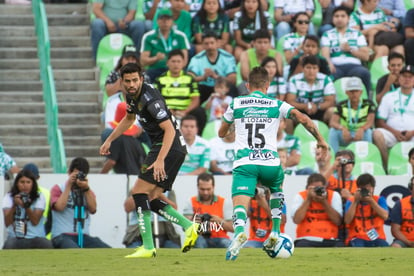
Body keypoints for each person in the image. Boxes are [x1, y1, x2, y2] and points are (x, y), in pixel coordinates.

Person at [218, 66, 329, 260]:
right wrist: (320, 139)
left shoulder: (237, 103)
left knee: (240, 200)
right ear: (267, 85)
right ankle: (276, 231)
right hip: (270, 162)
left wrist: (233, 128)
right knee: (276, 189)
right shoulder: (278, 104)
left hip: (245, 162)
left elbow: (221, 133)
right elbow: (303, 118)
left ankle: (238, 234)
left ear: (247, 85)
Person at [100, 63, 199, 258]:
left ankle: (147, 246)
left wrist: (160, 159)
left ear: (141, 79)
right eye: (127, 81)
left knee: (138, 193)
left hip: (167, 147)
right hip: (169, 148)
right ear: (121, 82)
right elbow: (129, 120)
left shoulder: (150, 100)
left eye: (135, 80)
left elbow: (169, 129)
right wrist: (110, 140)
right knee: (150, 199)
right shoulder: (131, 96)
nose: (131, 84)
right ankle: (189, 227)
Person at [50, 157, 110, 249]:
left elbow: (93, 209)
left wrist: (86, 189)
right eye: (75, 174)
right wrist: (69, 185)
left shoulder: (88, 192)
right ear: (69, 172)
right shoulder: (58, 188)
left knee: (105, 249)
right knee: (73, 249)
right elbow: (59, 207)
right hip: (61, 235)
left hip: (83, 236)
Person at [321, 6, 371, 95]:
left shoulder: (357, 34)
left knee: (364, 73)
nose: (339, 19)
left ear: (348, 19)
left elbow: (366, 57)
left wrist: (350, 50)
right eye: (336, 16)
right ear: (332, 19)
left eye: (343, 16)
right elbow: (325, 55)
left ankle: (366, 102)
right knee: (329, 76)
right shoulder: (327, 35)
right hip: (336, 66)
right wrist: (329, 64)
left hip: (354, 66)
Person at [154, 49, 206, 133]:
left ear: (183, 63)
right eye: (173, 61)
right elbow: (157, 99)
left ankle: (197, 136)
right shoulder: (160, 79)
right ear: (167, 63)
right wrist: (169, 111)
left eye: (178, 61)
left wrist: (184, 112)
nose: (176, 64)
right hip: (166, 111)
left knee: (200, 111)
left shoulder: (190, 79)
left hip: (186, 111)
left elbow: (195, 99)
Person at [373, 65, 414, 171]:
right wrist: (395, 132)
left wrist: (412, 132)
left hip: (412, 134)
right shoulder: (389, 96)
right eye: (404, 76)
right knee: (377, 134)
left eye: (410, 77)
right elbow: (380, 121)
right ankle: (387, 167)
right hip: (393, 135)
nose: (407, 79)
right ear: (399, 78)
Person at [2, 170, 53, 249]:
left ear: (33, 184)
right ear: (17, 184)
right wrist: (14, 205)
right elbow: (7, 222)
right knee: (9, 245)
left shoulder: (39, 197)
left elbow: (35, 221)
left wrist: (26, 206)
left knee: (47, 244)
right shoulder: (9, 197)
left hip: (36, 237)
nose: (25, 185)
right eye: (22, 182)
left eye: (28, 182)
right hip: (15, 238)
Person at [291, 173, 343, 247]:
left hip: (330, 238)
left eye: (320, 188)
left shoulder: (334, 195)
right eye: (314, 188)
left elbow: (338, 221)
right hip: (306, 238)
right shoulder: (301, 196)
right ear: (308, 188)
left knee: (340, 246)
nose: (317, 191)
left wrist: (324, 201)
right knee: (301, 245)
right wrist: (308, 199)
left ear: (325, 187)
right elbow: (296, 220)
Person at [183, 173, 233, 248]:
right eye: (202, 189)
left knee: (228, 244)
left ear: (213, 187)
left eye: (208, 189)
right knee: (198, 241)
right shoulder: (190, 202)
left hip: (220, 238)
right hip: (199, 236)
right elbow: (184, 227)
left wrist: (219, 220)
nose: (205, 192)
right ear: (198, 187)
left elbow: (233, 228)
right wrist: (194, 223)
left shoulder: (224, 202)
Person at [140, 8, 190, 82]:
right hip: (156, 69)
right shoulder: (148, 37)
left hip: (176, 70)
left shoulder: (181, 36)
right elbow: (143, 61)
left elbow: (184, 60)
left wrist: (174, 68)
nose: (165, 22)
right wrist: (156, 58)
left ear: (172, 21)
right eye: (162, 19)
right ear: (157, 21)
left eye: (168, 19)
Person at [285, 55, 336, 128]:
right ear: (303, 68)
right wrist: (305, 106)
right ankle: (290, 139)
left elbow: (330, 101)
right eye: (308, 67)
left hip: (320, 111)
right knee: (287, 115)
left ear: (318, 69)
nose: (311, 71)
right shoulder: (294, 80)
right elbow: (290, 101)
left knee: (332, 111)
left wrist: (317, 106)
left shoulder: (326, 80)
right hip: (300, 111)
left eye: (314, 68)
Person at [328, 76, 376, 153]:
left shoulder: (368, 104)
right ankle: (334, 156)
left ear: (361, 92)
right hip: (346, 133)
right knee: (333, 131)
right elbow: (333, 122)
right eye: (351, 91)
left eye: (356, 91)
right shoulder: (341, 105)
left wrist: (362, 129)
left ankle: (368, 155)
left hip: (361, 133)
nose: (354, 94)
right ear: (346, 92)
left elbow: (370, 122)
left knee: (368, 132)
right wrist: (342, 128)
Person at [187, 31, 237, 104]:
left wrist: (216, 77)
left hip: (222, 88)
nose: (209, 46)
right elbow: (189, 78)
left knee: (232, 88)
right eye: (206, 44)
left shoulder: (228, 57)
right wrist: (203, 77)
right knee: (195, 88)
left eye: (212, 43)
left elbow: (233, 79)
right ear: (202, 45)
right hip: (204, 88)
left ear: (217, 43)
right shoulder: (196, 59)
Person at [100, 102, 146, 174]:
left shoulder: (116, 139)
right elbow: (144, 163)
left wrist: (101, 175)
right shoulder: (137, 142)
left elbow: (111, 162)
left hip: (124, 178)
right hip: (137, 178)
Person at [344, 173, 389, 247]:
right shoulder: (351, 201)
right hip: (357, 236)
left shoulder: (379, 199)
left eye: (368, 188)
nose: (366, 192)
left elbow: (385, 216)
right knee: (358, 247)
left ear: (373, 188)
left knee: (384, 247)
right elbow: (347, 220)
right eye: (363, 189)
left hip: (377, 237)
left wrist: (371, 201)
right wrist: (355, 201)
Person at [238, 29, 284, 95]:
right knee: (243, 85)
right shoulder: (245, 54)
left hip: (271, 83)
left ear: (270, 43)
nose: (262, 45)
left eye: (265, 42)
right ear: (253, 43)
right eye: (259, 42)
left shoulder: (277, 55)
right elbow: (245, 76)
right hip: (252, 84)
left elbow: (278, 72)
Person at [389, 176, 414, 248]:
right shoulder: (400, 204)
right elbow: (395, 230)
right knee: (395, 246)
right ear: (411, 188)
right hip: (405, 240)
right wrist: (409, 243)